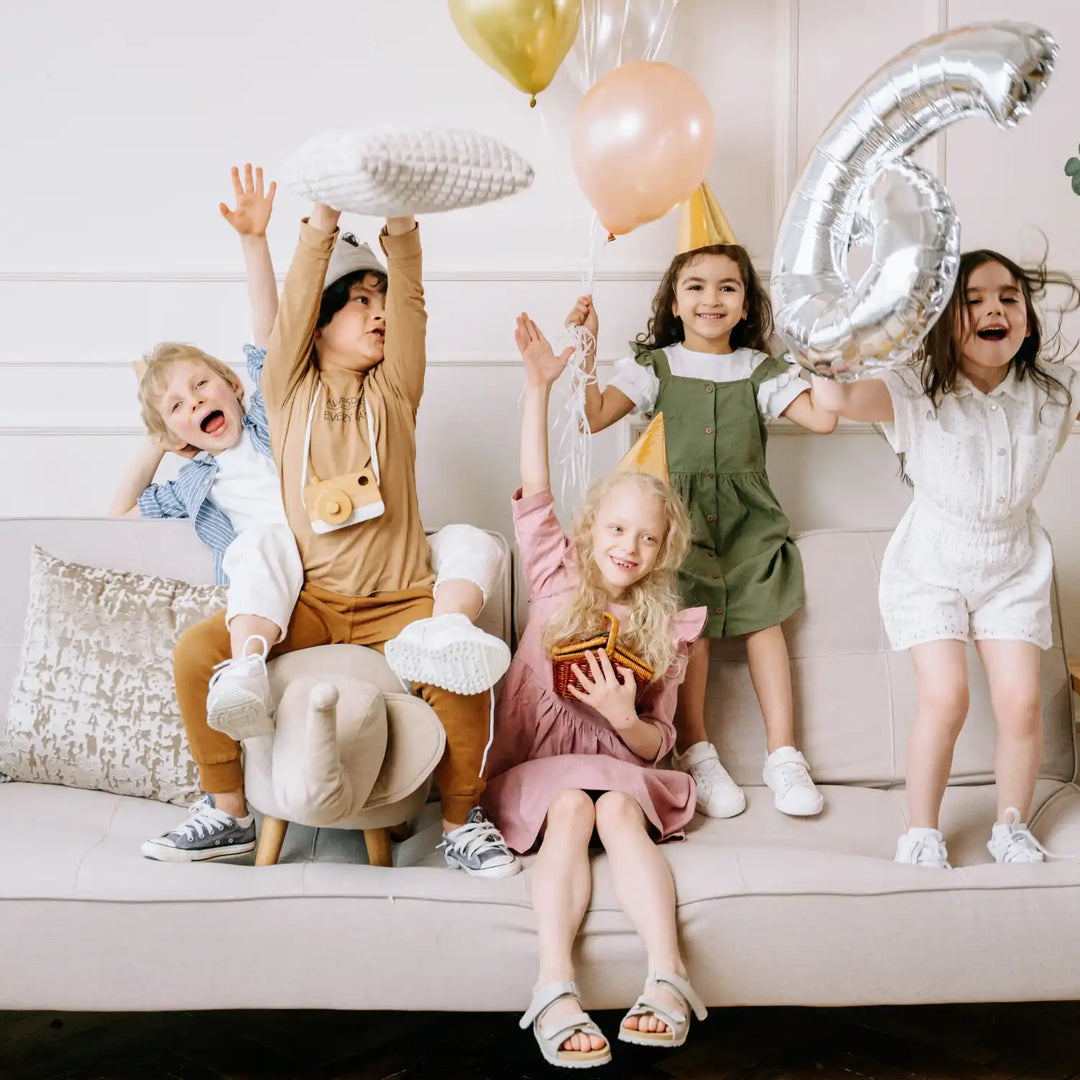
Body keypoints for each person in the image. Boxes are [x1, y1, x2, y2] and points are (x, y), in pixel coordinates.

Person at [141, 170, 515, 873]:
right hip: (311, 601)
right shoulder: (286, 391)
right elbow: (287, 310)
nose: (379, 314)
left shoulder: (396, 390)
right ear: (317, 319)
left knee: (463, 677)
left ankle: (465, 824)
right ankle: (228, 814)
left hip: (401, 602)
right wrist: (323, 212)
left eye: (381, 304)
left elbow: (412, 301)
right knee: (198, 654)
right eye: (359, 304)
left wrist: (399, 224)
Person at [482, 314, 708, 1068]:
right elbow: (535, 485)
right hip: (540, 772)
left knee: (614, 805)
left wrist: (621, 713)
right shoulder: (555, 571)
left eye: (646, 539)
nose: (628, 549)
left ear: (662, 550)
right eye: (616, 531)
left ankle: (669, 977)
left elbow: (658, 741)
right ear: (591, 529)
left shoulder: (664, 625)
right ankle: (553, 982)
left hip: (622, 768)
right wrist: (537, 389)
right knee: (575, 806)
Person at [812, 249, 1080, 867]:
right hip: (932, 565)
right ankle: (921, 830)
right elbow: (836, 400)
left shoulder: (1050, 396)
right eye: (974, 300)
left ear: (1028, 320)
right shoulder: (915, 392)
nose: (994, 310)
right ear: (942, 320)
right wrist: (832, 337)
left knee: (1019, 700)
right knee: (947, 698)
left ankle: (1011, 827)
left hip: (1013, 563)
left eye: (1009, 299)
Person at [567, 243, 837, 820]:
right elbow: (593, 416)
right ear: (673, 301)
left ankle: (784, 755)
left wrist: (822, 346)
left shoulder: (759, 370)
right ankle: (696, 749)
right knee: (691, 634)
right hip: (673, 529)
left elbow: (823, 418)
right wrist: (587, 346)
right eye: (695, 286)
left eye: (727, 288)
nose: (711, 298)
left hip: (749, 525)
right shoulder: (654, 367)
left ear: (746, 306)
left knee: (766, 624)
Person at [109, 167, 302, 762]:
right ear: (177, 432)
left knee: (265, 540)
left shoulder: (271, 421)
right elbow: (118, 518)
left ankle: (247, 666)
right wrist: (157, 441)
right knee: (252, 546)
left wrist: (253, 242)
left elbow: (269, 335)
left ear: (234, 387)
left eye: (202, 385)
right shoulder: (196, 482)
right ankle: (246, 673)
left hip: (327, 547)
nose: (194, 401)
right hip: (273, 572)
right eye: (178, 405)